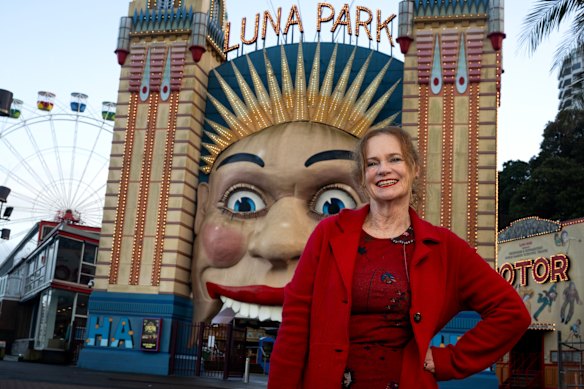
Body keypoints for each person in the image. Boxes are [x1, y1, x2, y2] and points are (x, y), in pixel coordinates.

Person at [268, 126, 531, 389]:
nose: (383, 169)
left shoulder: (444, 247)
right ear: (363, 176)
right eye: (373, 163)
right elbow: (295, 325)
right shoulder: (328, 234)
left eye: (395, 159)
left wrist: (446, 360)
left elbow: (512, 313)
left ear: (414, 168)